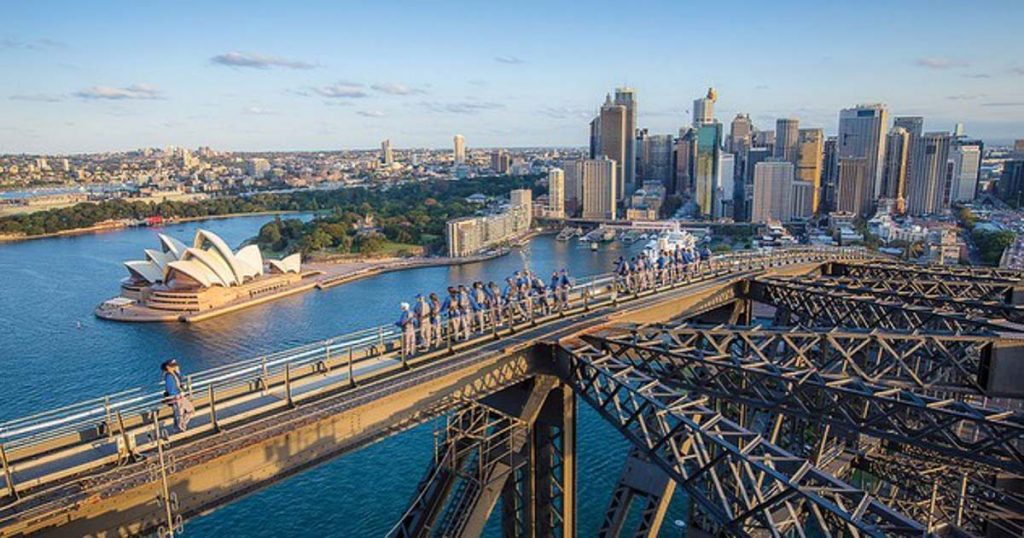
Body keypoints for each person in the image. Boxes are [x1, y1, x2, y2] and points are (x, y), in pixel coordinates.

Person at [162, 359, 195, 433]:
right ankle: (180, 428)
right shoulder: (169, 376)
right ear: (168, 367)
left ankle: (180, 427)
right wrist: (178, 393)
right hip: (176, 397)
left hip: (180, 397)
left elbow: (179, 382)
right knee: (179, 414)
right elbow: (171, 389)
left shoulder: (174, 374)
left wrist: (178, 372)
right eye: (173, 366)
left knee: (189, 411)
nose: (175, 367)